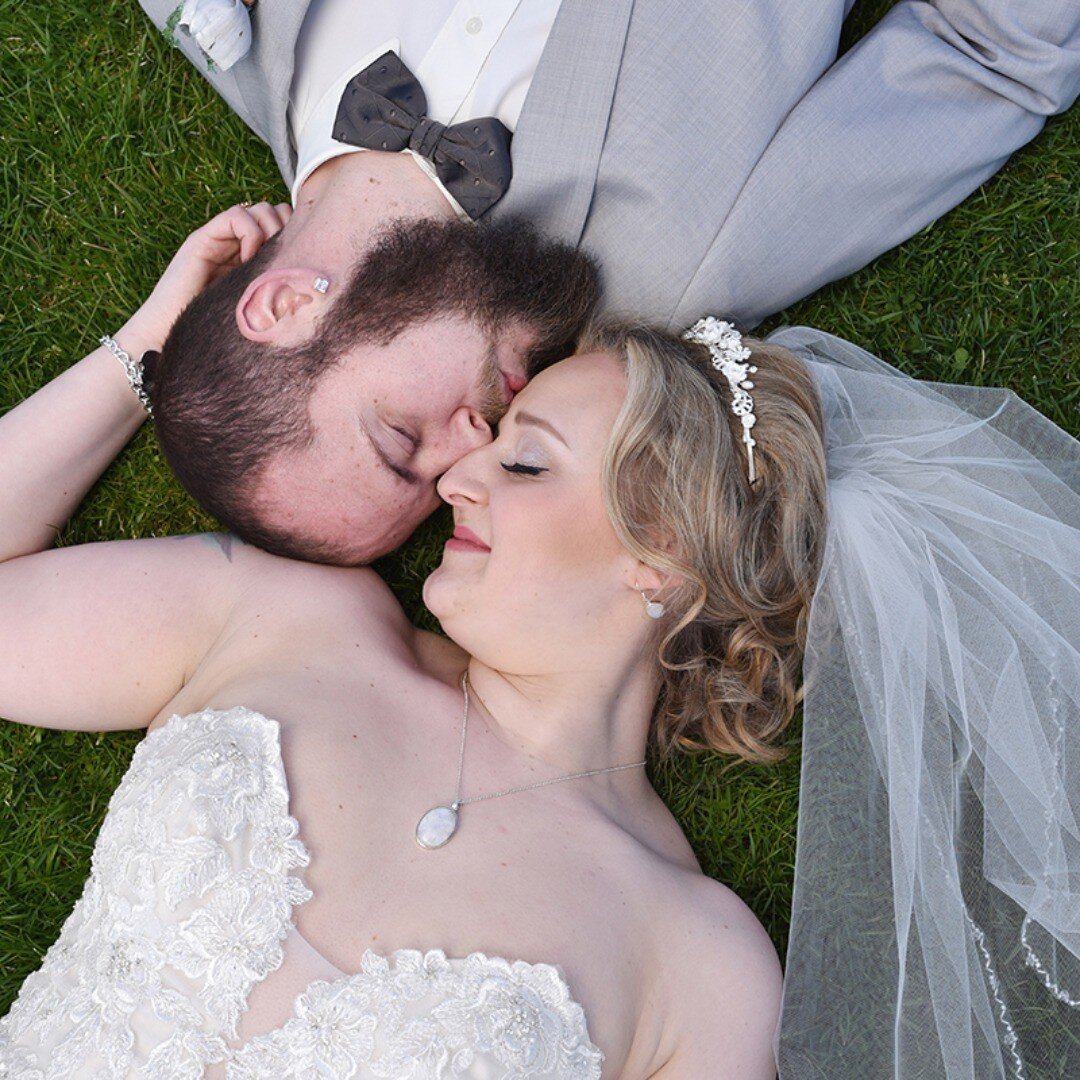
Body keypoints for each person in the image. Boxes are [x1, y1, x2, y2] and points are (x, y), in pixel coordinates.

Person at [0, 214, 830, 1077]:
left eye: (526, 464)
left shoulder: (697, 964)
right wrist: (155, 341)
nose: (456, 478)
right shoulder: (284, 615)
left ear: (661, 557)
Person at [130, 0, 1080, 567]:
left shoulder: (244, 41)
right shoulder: (682, 255)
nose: (471, 450)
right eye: (440, 487)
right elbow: (987, 54)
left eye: (400, 437)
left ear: (286, 302)